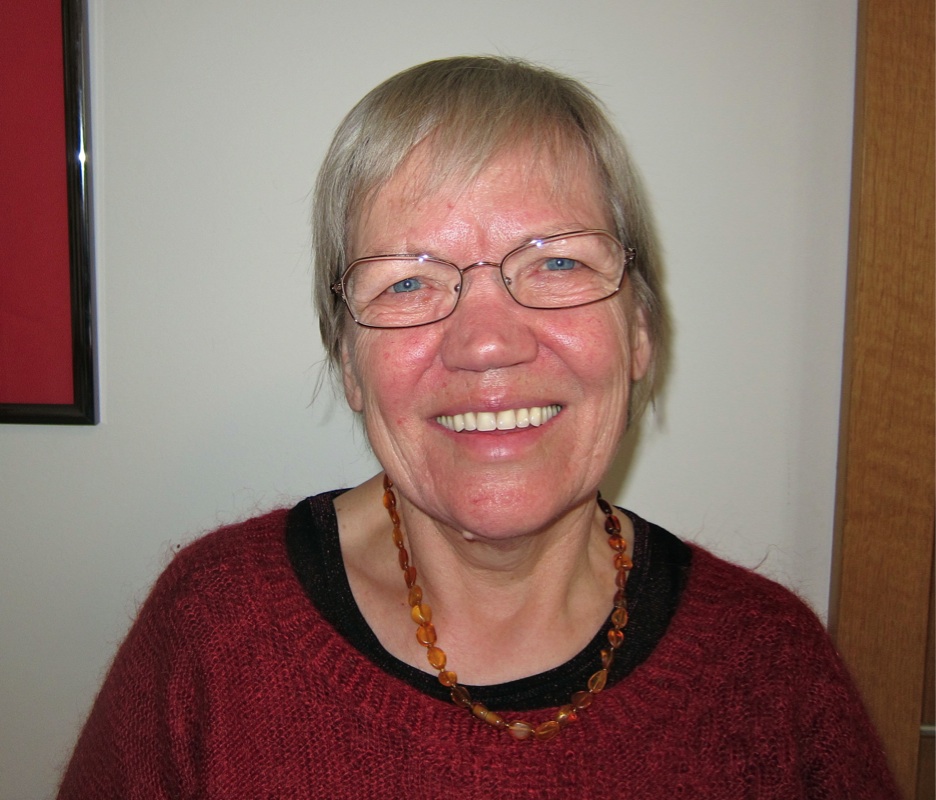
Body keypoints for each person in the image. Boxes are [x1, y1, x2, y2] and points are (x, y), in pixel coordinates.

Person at [58, 56, 897, 798]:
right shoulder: (213, 637)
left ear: (640, 330)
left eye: (558, 262)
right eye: (407, 282)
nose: (487, 343)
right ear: (348, 362)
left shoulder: (771, 668)